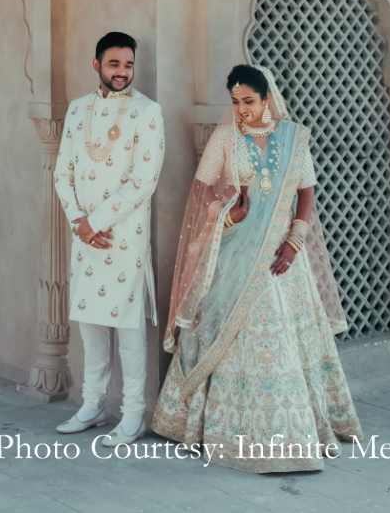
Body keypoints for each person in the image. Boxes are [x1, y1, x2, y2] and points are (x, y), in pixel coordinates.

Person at [152, 63, 362, 473]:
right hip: (235, 253)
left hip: (283, 258)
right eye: (235, 101)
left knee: (283, 338)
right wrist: (229, 212)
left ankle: (293, 434)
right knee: (222, 329)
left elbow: (306, 194)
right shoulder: (226, 136)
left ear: (267, 98)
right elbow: (202, 196)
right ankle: (221, 431)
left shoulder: (293, 138)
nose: (242, 108)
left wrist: (295, 241)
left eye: (249, 100)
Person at [53, 32, 165, 447]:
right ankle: (92, 404)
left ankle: (133, 413)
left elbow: (142, 182)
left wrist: (96, 223)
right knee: (91, 323)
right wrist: (79, 223)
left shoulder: (147, 112)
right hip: (85, 234)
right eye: (115, 64)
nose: (123, 72)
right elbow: (62, 172)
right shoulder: (78, 110)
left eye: (129, 65)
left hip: (123, 237)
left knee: (129, 328)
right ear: (96, 64)